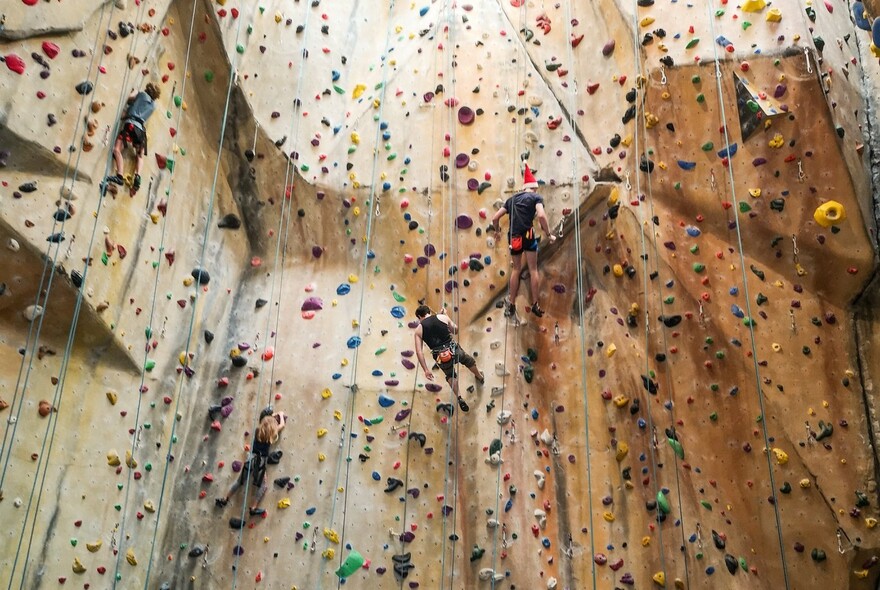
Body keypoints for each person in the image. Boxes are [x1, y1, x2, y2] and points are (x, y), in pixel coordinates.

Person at [491, 163, 556, 318]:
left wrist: (497, 231)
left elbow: (495, 218)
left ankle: (512, 304)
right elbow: (541, 215)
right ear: (534, 187)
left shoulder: (511, 200)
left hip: (514, 238)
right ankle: (535, 304)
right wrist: (548, 234)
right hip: (528, 235)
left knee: (516, 269)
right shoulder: (535, 197)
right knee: (533, 269)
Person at [216, 408, 286, 516]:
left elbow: (266, 421)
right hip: (260, 462)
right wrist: (280, 414)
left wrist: (272, 416)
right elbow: (281, 425)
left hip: (251, 458)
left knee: (239, 481)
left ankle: (225, 499)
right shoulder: (271, 434)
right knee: (263, 485)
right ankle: (253, 508)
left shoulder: (258, 430)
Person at [413, 304, 484, 412]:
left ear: (419, 316)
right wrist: (446, 315)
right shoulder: (442, 317)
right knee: (468, 361)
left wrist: (426, 370)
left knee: (450, 375)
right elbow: (455, 330)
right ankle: (479, 377)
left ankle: (460, 397)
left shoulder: (418, 330)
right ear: (429, 312)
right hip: (454, 350)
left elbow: (419, 352)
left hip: (440, 357)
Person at [107, 82, 161, 193]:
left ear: (147, 89)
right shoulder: (153, 106)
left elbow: (129, 98)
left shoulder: (141, 95)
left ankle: (120, 175)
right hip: (141, 131)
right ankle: (137, 176)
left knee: (117, 149)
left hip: (131, 125)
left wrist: (134, 92)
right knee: (140, 155)